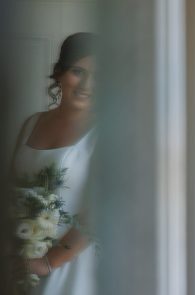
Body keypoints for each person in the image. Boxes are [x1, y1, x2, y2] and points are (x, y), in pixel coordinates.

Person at [11, 32, 97, 295]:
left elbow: (100, 212)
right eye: (77, 71)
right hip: (20, 259)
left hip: (71, 266)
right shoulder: (30, 124)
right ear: (59, 73)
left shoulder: (106, 133)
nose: (87, 84)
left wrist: (50, 261)